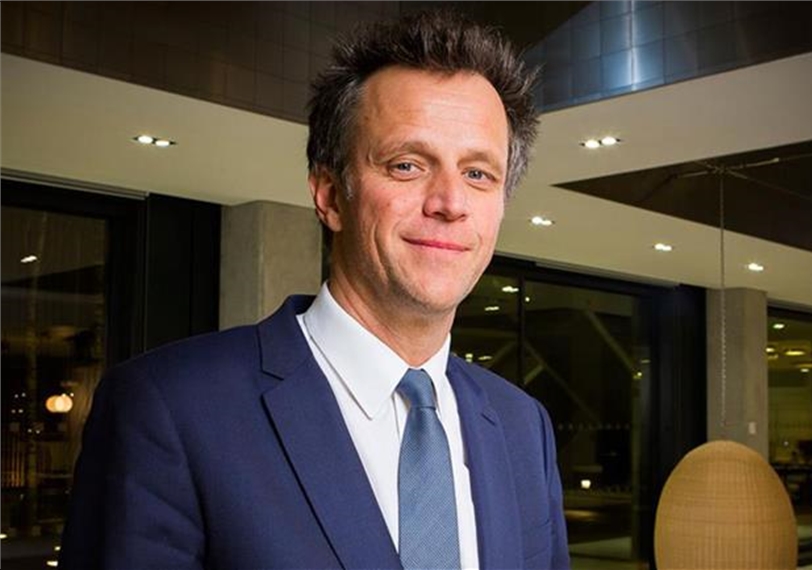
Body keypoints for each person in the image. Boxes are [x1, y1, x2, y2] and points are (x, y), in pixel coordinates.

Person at [60, 10, 570, 570]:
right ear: (329, 195)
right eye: (406, 165)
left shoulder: (524, 426)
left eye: (478, 174)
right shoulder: (169, 408)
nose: (450, 202)